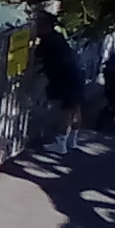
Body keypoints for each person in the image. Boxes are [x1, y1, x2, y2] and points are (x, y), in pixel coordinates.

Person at [34, 13, 85, 155]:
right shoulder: (58, 36)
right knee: (75, 107)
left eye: (38, 24)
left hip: (65, 78)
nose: (36, 27)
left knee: (67, 110)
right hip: (75, 74)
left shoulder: (47, 41)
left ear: (44, 26)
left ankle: (61, 143)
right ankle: (72, 140)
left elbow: (35, 58)